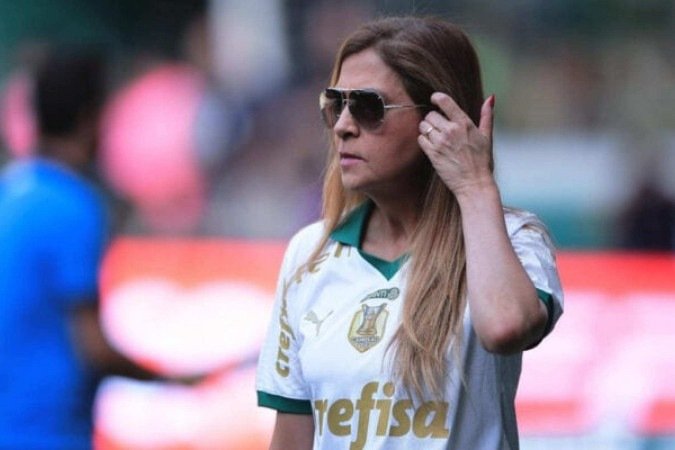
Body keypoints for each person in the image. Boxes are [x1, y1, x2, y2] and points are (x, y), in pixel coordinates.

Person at [256, 16, 563, 449]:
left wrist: (475, 185)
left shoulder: (512, 237)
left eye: (368, 106)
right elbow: (291, 439)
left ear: (440, 121)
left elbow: (505, 327)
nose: (343, 125)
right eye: (335, 104)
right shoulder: (309, 252)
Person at [0, 49, 157, 449]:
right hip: (47, 433)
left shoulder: (9, 190)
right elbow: (93, 347)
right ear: (91, 119)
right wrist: (169, 379)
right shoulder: (74, 204)